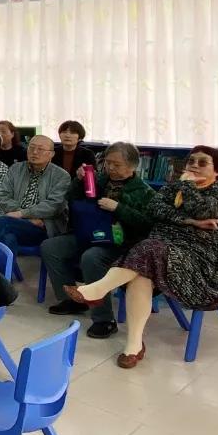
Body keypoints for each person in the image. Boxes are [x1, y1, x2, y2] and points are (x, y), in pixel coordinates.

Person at [66, 146, 218, 368]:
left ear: (217, 172)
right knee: (142, 272)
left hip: (195, 266)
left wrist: (186, 186)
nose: (193, 165)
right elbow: (155, 209)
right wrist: (190, 222)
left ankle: (96, 290)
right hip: (160, 257)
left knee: (149, 247)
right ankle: (133, 346)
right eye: (191, 161)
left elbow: (201, 209)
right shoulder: (174, 188)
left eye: (202, 163)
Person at [41, 142, 155, 339]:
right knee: (51, 247)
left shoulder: (144, 192)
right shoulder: (100, 180)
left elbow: (147, 225)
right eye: (108, 163)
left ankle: (104, 320)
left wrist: (118, 208)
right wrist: (78, 181)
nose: (110, 168)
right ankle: (73, 300)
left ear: (132, 166)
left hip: (121, 244)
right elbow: (71, 200)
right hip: (89, 234)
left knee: (92, 257)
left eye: (116, 165)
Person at [0, 135, 71, 257]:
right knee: (7, 238)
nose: (34, 152)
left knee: (3, 223)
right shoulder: (16, 169)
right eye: (31, 148)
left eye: (40, 149)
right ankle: (0, 275)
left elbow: (54, 206)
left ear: (51, 154)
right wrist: (27, 215)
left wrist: (22, 214)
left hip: (44, 229)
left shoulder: (61, 176)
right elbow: (2, 195)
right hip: (17, 223)